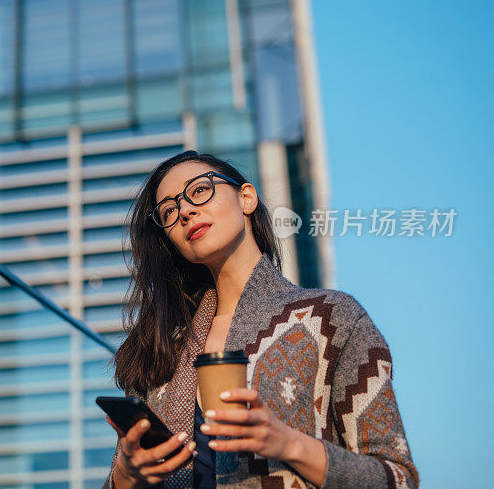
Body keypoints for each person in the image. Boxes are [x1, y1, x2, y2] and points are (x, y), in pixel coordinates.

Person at [103, 151, 418, 488]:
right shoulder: (163, 351)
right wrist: (125, 475)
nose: (185, 211)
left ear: (246, 197)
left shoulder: (331, 318)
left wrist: (288, 444)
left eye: (198, 191)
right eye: (169, 210)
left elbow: (398, 479)